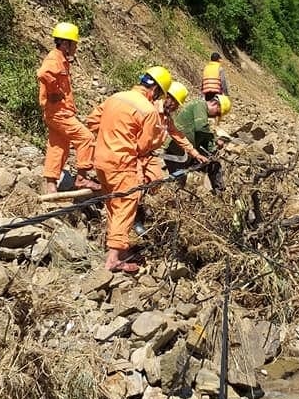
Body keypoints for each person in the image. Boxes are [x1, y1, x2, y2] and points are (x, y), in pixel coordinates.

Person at [87, 65, 173, 273]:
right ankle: (114, 259)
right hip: (122, 163)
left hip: (101, 161)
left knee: (112, 204)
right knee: (126, 204)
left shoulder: (116, 97)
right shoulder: (148, 110)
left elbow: (91, 121)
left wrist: (108, 138)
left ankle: (115, 248)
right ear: (156, 91)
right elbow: (143, 146)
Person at [134, 81, 209, 236]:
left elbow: (178, 136)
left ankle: (141, 212)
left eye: (177, 104)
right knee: (138, 185)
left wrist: (195, 154)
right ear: (167, 97)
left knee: (156, 180)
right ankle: (134, 219)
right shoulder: (151, 109)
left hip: (148, 155)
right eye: (173, 101)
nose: (174, 106)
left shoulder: (167, 119)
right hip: (135, 154)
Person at [37, 22, 100, 194]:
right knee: (86, 138)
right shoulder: (54, 58)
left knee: (58, 146)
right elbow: (43, 74)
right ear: (66, 43)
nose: (76, 47)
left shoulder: (62, 60)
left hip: (57, 112)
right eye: (74, 44)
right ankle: (81, 178)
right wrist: (54, 91)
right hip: (60, 113)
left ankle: (51, 186)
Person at [164, 94, 231, 194]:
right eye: (217, 113)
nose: (215, 116)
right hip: (176, 151)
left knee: (213, 165)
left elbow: (204, 138)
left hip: (188, 152)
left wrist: (212, 151)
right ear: (215, 104)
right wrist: (216, 140)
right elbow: (202, 128)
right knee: (178, 181)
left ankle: (220, 193)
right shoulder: (199, 105)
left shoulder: (202, 114)